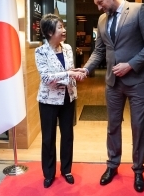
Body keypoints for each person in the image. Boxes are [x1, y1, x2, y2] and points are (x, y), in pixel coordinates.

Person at [78, 0, 144, 193]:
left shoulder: (139, 10)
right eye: (97, 4)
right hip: (113, 84)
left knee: (138, 128)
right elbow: (99, 51)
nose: (99, 7)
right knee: (112, 126)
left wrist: (131, 65)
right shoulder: (102, 19)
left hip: (138, 82)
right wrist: (86, 70)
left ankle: (138, 170)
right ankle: (112, 165)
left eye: (100, 2)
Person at [35, 13, 86, 188]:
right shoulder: (40, 51)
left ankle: (67, 170)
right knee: (48, 138)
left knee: (67, 136)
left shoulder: (68, 48)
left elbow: (69, 70)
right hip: (48, 101)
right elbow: (46, 78)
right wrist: (68, 74)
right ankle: (48, 173)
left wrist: (77, 73)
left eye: (63, 27)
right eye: (60, 27)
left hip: (68, 98)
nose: (64, 30)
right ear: (50, 32)